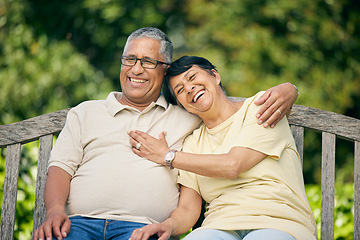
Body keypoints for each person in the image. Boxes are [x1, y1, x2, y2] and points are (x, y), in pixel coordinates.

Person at [34, 27, 299, 240]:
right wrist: (55, 211)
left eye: (148, 62)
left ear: (164, 70)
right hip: (78, 225)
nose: (136, 69)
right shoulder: (86, 113)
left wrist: (290, 88)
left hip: (140, 229)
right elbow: (61, 166)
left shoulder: (193, 118)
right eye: (130, 59)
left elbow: (231, 151)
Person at [128, 56, 317, 240]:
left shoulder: (259, 108)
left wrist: (168, 156)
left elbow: (233, 164)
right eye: (180, 90)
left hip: (278, 223)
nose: (189, 88)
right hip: (219, 227)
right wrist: (166, 226)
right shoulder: (192, 143)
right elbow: (187, 208)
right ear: (183, 106)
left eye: (192, 77)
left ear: (215, 76)